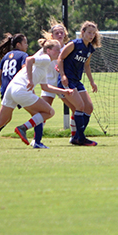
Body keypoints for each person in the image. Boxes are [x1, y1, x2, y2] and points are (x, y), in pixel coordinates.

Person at [0, 39, 74, 149]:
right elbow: (29, 60)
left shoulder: (44, 66)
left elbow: (45, 87)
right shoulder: (46, 58)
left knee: (1, 121)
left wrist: (64, 91)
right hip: (21, 89)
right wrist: (30, 80)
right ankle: (23, 128)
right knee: (49, 112)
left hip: (11, 89)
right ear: (48, 50)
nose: (59, 52)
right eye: (57, 50)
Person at [34, 18, 79, 146]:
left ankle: (74, 136)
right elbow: (33, 60)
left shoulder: (67, 48)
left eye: (62, 32)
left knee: (75, 108)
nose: (60, 35)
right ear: (52, 35)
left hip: (61, 85)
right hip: (47, 85)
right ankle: (36, 139)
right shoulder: (47, 48)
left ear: (65, 34)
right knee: (44, 112)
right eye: (57, 33)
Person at [0, 33, 29, 149]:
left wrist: (5, 88)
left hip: (6, 91)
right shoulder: (23, 55)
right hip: (18, 91)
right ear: (18, 44)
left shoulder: (6, 56)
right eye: (25, 42)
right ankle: (37, 142)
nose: (27, 45)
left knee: (4, 119)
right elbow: (24, 71)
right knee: (40, 112)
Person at [57, 20, 101, 146]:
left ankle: (77, 136)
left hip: (76, 81)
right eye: (89, 32)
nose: (91, 35)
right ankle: (80, 138)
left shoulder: (90, 48)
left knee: (89, 107)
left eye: (93, 33)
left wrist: (92, 82)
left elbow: (86, 65)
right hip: (67, 80)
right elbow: (60, 58)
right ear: (82, 32)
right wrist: (63, 75)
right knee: (80, 106)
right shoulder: (74, 44)